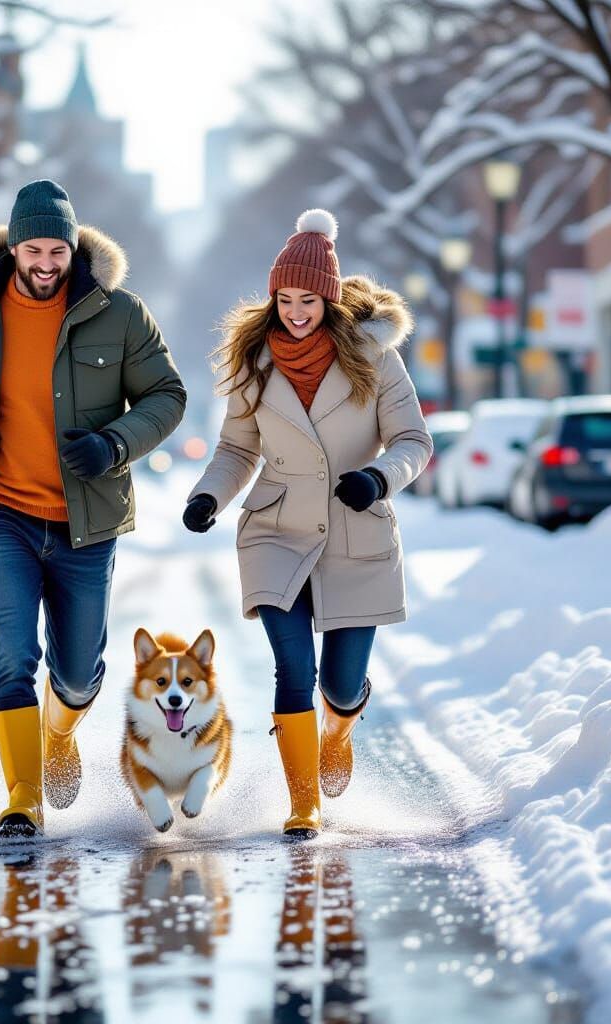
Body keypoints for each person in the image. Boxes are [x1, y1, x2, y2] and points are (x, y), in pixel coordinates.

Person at [0, 179, 186, 838]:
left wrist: (113, 443)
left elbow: (167, 396)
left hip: (85, 520)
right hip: (1, 511)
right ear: (13, 247)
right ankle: (23, 798)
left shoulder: (118, 312)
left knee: (78, 673)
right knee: (11, 654)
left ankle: (59, 733)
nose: (45, 263)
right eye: (32, 250)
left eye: (57, 251)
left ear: (73, 248)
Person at [182, 209, 432, 840]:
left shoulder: (376, 358)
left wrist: (378, 477)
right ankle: (304, 803)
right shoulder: (254, 360)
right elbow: (236, 449)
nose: (295, 312)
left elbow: (413, 441)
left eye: (308, 300)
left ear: (329, 299)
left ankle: (338, 729)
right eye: (285, 300)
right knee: (293, 669)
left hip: (355, 526)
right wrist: (208, 496)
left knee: (341, 687)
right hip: (276, 531)